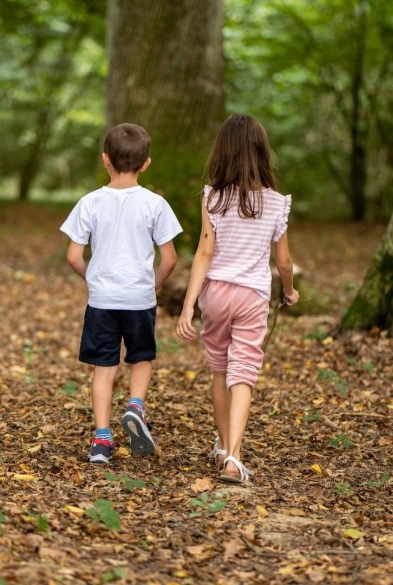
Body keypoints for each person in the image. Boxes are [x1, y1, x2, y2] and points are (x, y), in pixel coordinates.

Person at [175, 114, 298, 483]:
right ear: (262, 153)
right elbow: (285, 262)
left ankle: (223, 444)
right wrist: (289, 292)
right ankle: (234, 457)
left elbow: (203, 254)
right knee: (243, 371)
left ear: (222, 152)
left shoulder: (212, 196)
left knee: (218, 369)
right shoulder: (276, 203)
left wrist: (187, 305)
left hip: (215, 295)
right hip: (253, 296)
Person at [61, 123, 183, 464]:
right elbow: (170, 258)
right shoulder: (155, 204)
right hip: (139, 298)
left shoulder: (89, 202)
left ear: (105, 160)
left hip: (102, 299)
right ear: (146, 163)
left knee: (104, 367)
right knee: (141, 357)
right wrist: (154, 283)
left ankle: (101, 442)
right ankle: (135, 407)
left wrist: (93, 278)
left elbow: (73, 255)